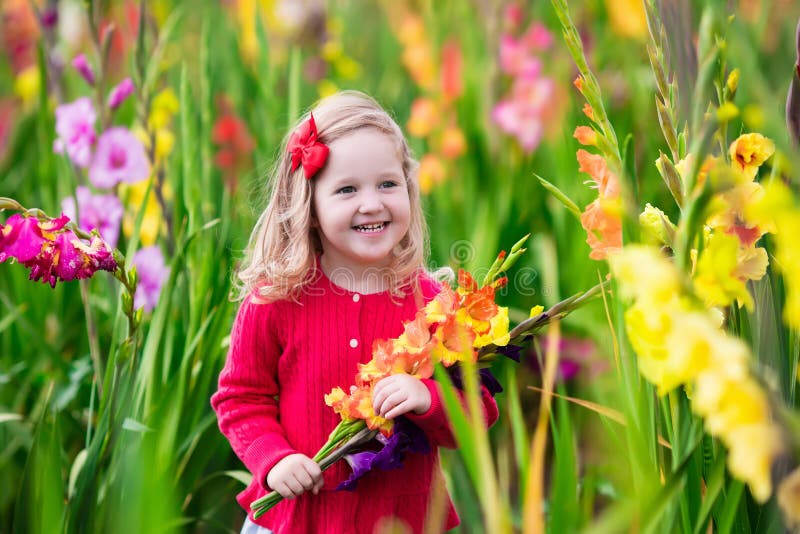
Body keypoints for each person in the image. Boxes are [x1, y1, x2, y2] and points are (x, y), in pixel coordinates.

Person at [211, 91, 499, 534]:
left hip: (399, 520)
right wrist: (274, 459)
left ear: (408, 188)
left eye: (387, 184)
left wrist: (429, 399)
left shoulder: (434, 304)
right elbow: (240, 398)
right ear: (309, 206)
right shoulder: (276, 299)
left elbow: (476, 415)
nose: (372, 203)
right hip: (298, 517)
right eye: (347, 189)